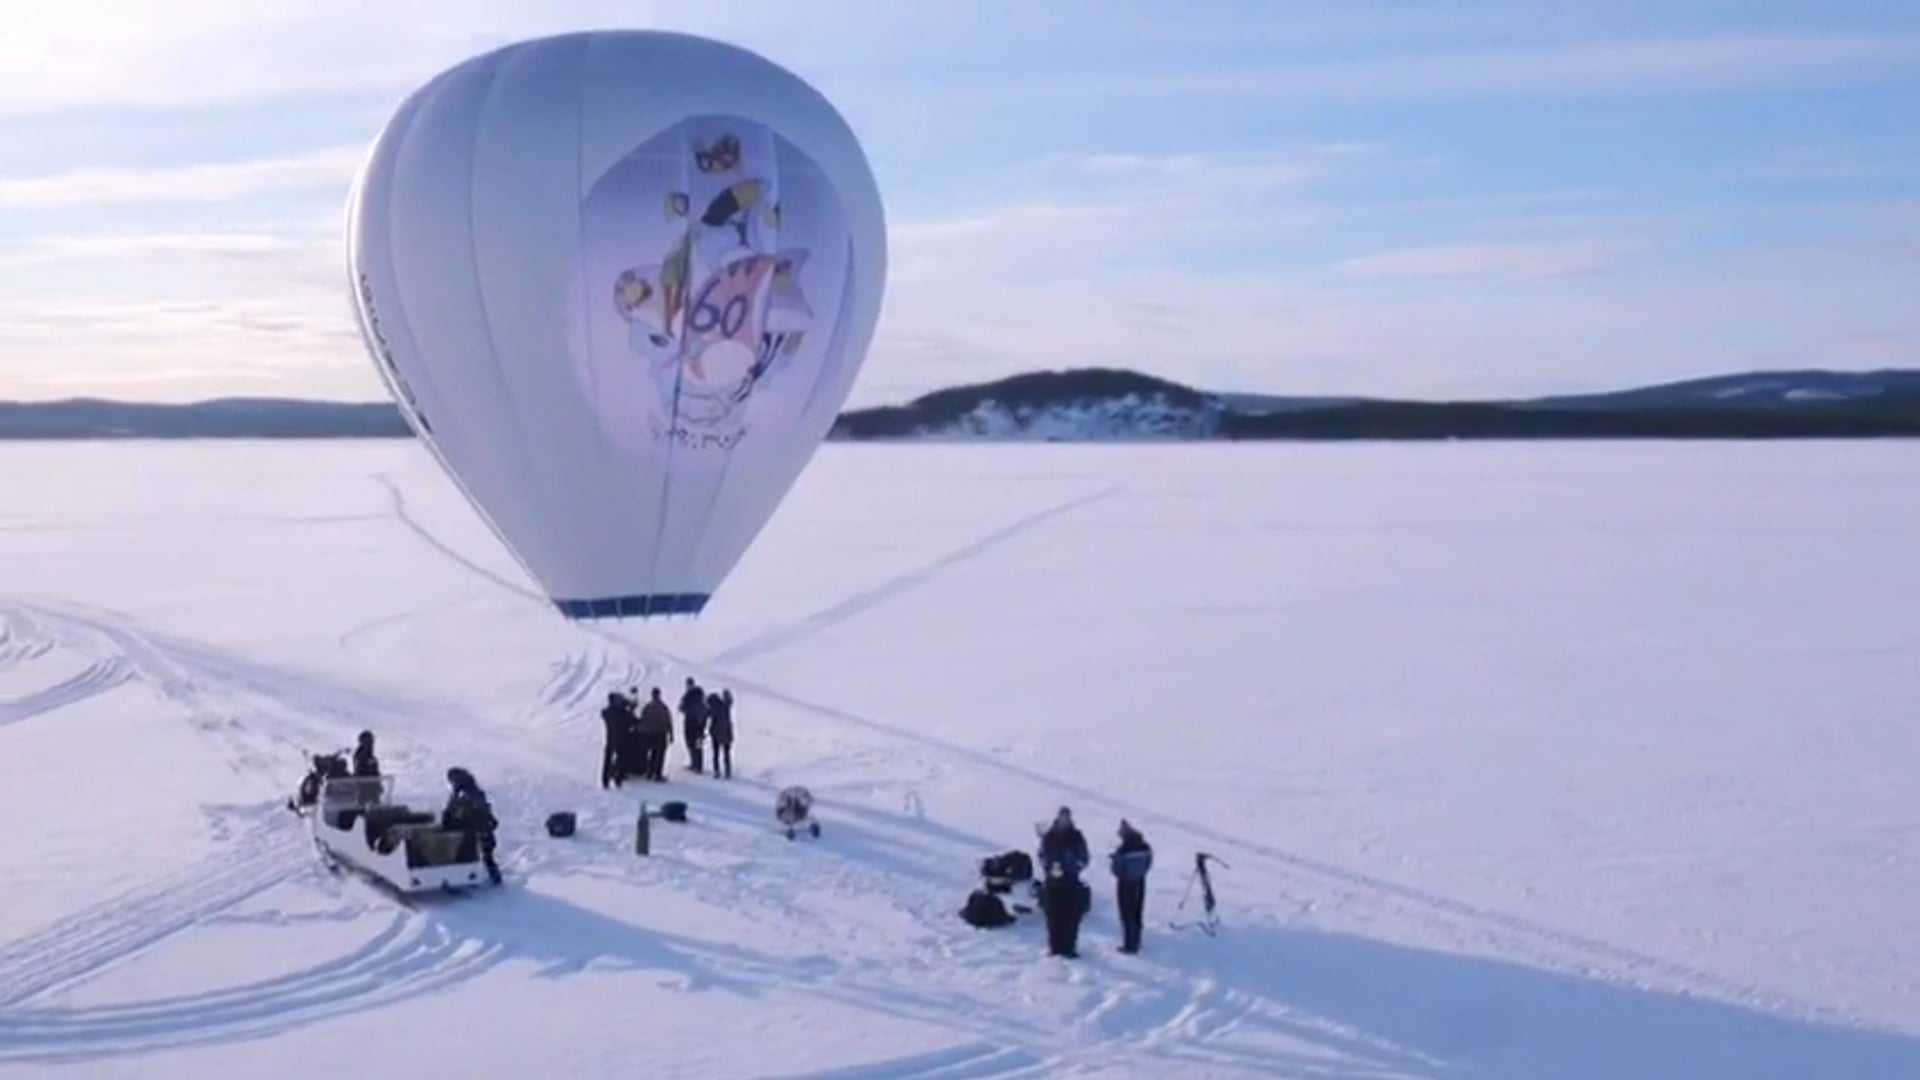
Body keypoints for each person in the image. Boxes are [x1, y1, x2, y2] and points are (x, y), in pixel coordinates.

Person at [1037, 807, 1090, 958]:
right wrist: (1050, 865)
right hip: (1053, 883)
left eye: (1067, 817)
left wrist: (1072, 864)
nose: (1064, 821)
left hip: (1071, 882)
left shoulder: (1076, 836)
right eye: (1062, 817)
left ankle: (1069, 947)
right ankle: (1055, 947)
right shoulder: (1050, 836)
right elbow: (1042, 855)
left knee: (1071, 918)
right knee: (1053, 917)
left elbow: (1084, 858)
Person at [441, 766, 501, 885]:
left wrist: (450, 819)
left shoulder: (464, 793)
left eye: (451, 780)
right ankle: (493, 877)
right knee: (486, 855)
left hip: (474, 829)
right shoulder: (472, 790)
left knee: (469, 854)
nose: (451, 783)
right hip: (481, 828)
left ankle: (462, 879)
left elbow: (456, 809)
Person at [1108, 820, 1153, 954]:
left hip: (1125, 884)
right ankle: (1137, 940)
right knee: (1137, 912)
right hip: (1140, 882)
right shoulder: (1144, 846)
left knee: (1127, 915)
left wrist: (1117, 868)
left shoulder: (1123, 849)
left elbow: (1116, 868)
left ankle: (1129, 945)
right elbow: (1149, 862)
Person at [600, 691, 637, 788]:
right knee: (621, 760)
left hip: (610, 739)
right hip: (621, 739)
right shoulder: (620, 713)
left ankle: (605, 780)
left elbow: (605, 712)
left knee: (608, 760)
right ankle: (618, 779)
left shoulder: (609, 712)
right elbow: (631, 721)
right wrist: (630, 709)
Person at [638, 687, 674, 781]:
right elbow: (668, 721)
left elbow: (642, 719)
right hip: (660, 733)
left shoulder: (647, 707)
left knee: (652, 754)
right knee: (660, 754)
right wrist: (671, 734)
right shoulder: (663, 707)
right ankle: (657, 774)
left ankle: (650, 772)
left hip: (649, 733)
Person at [679, 676, 708, 773]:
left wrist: (683, 707)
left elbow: (682, 708)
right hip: (700, 723)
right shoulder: (700, 695)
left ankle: (695, 764)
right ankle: (698, 765)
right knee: (697, 744)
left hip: (690, 722)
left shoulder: (688, 695)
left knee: (691, 743)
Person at [706, 688, 734, 779]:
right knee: (726, 753)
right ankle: (727, 771)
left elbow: (706, 715)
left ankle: (717, 771)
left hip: (716, 734)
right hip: (726, 733)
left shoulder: (713, 709)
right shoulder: (724, 706)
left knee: (716, 753)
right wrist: (727, 695)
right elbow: (729, 702)